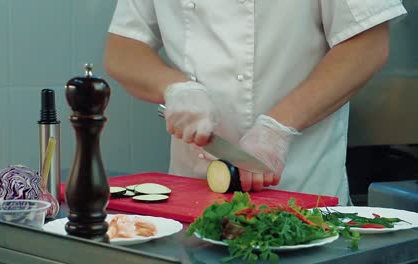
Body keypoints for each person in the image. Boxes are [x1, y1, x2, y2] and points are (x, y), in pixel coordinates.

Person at [104, 1, 407, 205]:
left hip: (301, 195)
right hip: (191, 199)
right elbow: (123, 48)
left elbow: (368, 44)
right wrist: (174, 87)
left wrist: (277, 128)